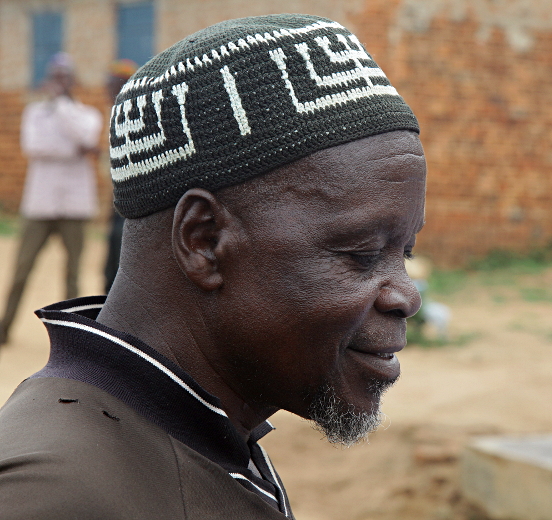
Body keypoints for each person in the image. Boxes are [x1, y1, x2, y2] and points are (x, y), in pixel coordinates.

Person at [0, 14, 426, 518]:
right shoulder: (56, 497)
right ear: (203, 240)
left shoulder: (202, 436)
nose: (406, 296)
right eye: (360, 253)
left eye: (405, 252)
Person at [0, 53, 102, 345]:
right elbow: (35, 146)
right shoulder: (33, 113)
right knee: (22, 268)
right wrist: (75, 150)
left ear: (73, 80)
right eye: (56, 76)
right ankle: (4, 328)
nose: (60, 82)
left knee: (72, 274)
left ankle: (73, 338)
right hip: (40, 204)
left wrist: (61, 106)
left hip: (75, 205)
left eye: (65, 77)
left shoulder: (87, 115)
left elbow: (85, 136)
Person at [103, 59, 138, 293]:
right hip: (120, 203)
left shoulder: (136, 116)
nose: (110, 89)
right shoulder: (114, 116)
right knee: (110, 262)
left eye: (116, 83)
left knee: (120, 256)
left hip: (134, 203)